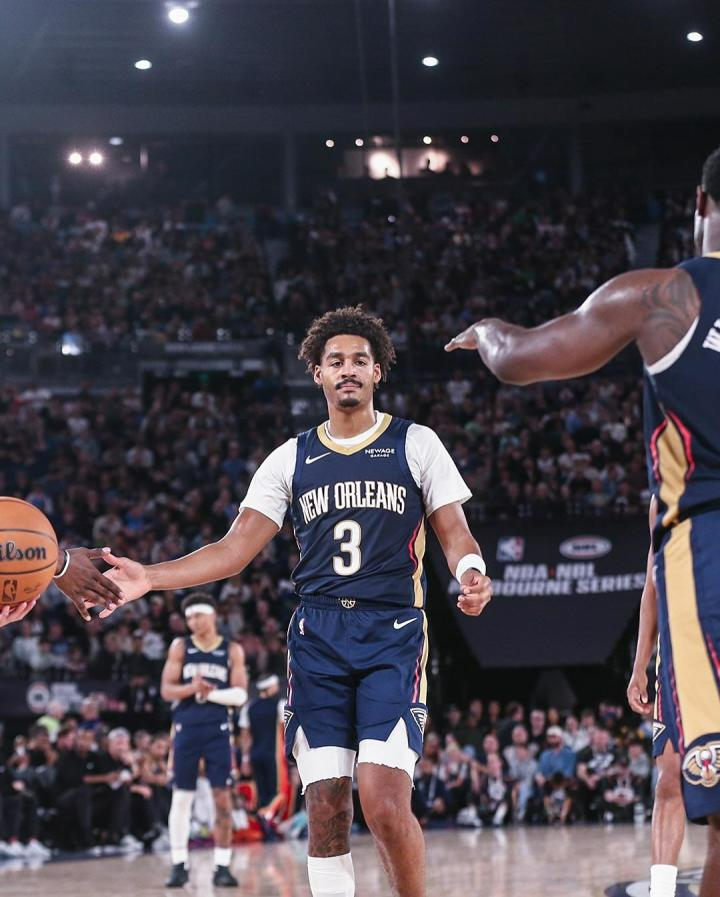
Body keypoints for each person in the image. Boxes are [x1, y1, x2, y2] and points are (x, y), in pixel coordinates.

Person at [97, 306, 492, 897]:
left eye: (360, 360)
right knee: (326, 806)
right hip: (318, 641)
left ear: (378, 371)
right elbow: (233, 550)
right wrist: (149, 578)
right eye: (336, 361)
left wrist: (471, 570)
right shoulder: (291, 457)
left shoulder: (416, 443)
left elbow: (454, 530)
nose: (348, 369)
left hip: (392, 635)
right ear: (318, 374)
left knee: (384, 802)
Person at [446, 147, 720, 897]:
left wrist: (487, 328)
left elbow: (521, 358)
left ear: (699, 204)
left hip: (705, 547)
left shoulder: (663, 296)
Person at [162, 593, 247, 888]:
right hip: (186, 726)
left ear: (212, 615)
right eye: (188, 618)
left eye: (197, 616)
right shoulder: (180, 646)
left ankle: (222, 865)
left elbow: (240, 694)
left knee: (222, 797)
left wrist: (209, 694)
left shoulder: (231, 649)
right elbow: (167, 690)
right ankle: (178, 864)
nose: (192, 622)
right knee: (182, 796)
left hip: (218, 729)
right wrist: (192, 689)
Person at [628, 495, 685, 897]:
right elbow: (652, 582)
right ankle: (661, 890)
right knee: (670, 779)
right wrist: (640, 665)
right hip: (679, 652)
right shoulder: (662, 496)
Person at [239, 674, 294, 822]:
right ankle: (270, 821)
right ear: (270, 688)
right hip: (274, 756)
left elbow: (246, 736)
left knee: (261, 792)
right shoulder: (279, 704)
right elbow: (285, 730)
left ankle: (262, 822)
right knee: (277, 792)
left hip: (255, 754)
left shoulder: (249, 707)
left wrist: (245, 759)